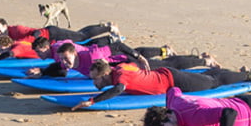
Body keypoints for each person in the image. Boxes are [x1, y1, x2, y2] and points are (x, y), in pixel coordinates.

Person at [71, 60, 251, 110]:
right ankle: (237, 72)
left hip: (173, 81)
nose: (93, 81)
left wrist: (93, 101)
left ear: (105, 74)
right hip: (168, 74)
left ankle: (248, 74)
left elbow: (119, 89)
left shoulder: (119, 75)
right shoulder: (119, 69)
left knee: (213, 83)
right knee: (205, 77)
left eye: (95, 78)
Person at [27, 40, 213, 78]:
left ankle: (206, 62)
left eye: (67, 59)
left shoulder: (92, 55)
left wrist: (138, 57)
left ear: (75, 53)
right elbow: (56, 67)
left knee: (167, 65)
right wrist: (41, 71)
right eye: (63, 60)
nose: (65, 63)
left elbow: (116, 44)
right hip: (120, 67)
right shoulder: (63, 60)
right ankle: (198, 58)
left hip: (127, 62)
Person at [0, 18, 115, 44]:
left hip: (52, 33)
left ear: (6, 26)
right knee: (79, 34)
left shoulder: (18, 29)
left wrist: (28, 41)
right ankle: (102, 26)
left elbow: (36, 32)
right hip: (51, 37)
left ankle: (108, 27)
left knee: (81, 36)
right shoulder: (5, 33)